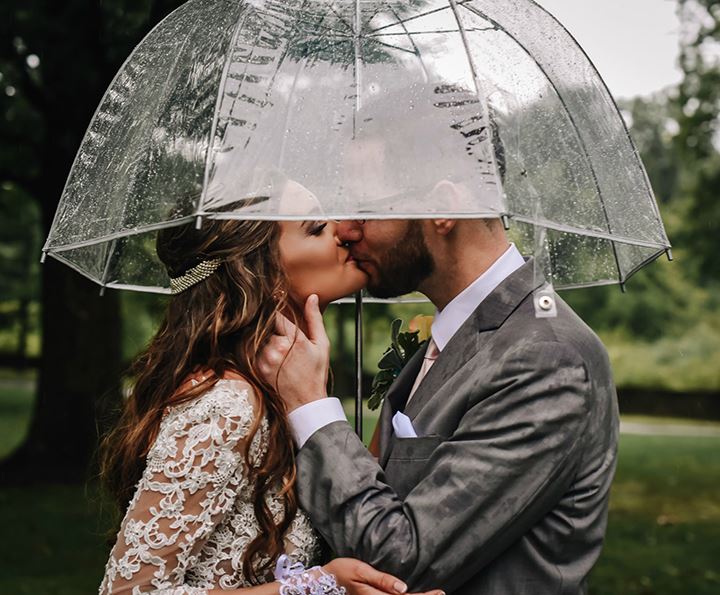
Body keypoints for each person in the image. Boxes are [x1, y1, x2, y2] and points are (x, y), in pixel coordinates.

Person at [97, 180, 445, 595]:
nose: (345, 231)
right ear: (261, 273)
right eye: (316, 228)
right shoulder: (226, 407)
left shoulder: (284, 393)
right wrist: (320, 588)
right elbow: (128, 590)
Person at [258, 215, 620, 594]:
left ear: (444, 210)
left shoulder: (546, 357)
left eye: (368, 210)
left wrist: (311, 406)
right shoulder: (462, 335)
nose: (347, 231)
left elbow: (399, 562)